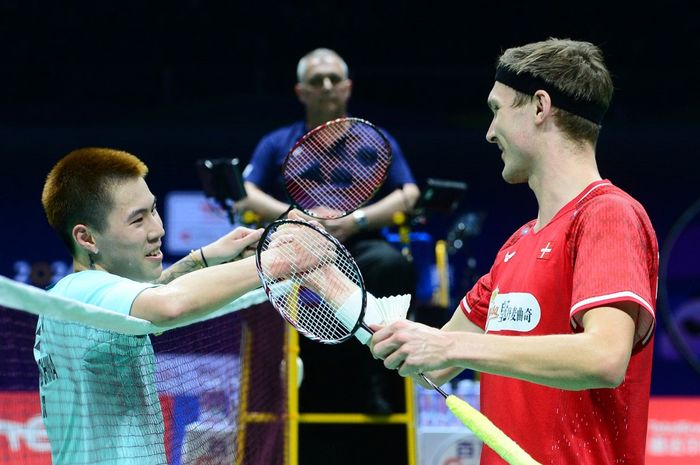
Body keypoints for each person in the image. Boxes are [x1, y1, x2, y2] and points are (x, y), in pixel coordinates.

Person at [370, 38, 659, 464]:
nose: (489, 133)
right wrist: (329, 281)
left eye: (496, 110)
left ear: (540, 107)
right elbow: (428, 364)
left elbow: (603, 357)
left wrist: (449, 349)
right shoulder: (516, 246)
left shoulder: (606, 214)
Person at [35, 147, 311, 465]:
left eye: (153, 210)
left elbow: (147, 296)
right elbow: (170, 305)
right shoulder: (79, 292)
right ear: (87, 238)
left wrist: (202, 259)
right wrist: (279, 261)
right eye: (138, 220)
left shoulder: (77, 300)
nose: (158, 229)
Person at [238, 48, 420, 414]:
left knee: (392, 266)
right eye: (316, 81)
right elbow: (245, 194)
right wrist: (297, 216)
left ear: (348, 87)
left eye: (333, 79)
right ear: (300, 91)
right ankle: (274, 388)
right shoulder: (277, 142)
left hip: (359, 243)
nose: (326, 86)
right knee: (254, 283)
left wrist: (357, 221)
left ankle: (375, 379)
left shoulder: (373, 139)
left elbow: (409, 193)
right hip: (295, 247)